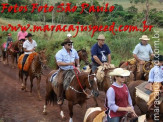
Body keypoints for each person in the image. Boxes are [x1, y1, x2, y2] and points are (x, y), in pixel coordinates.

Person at [55, 38, 80, 105]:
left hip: (73, 69)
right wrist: (68, 64)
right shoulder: (59, 53)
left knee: (81, 78)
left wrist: (78, 65)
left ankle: (82, 94)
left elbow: (77, 58)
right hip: (63, 70)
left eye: (71, 44)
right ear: (65, 45)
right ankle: (60, 97)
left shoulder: (74, 51)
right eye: (69, 44)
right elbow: (59, 63)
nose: (70, 45)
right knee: (60, 82)